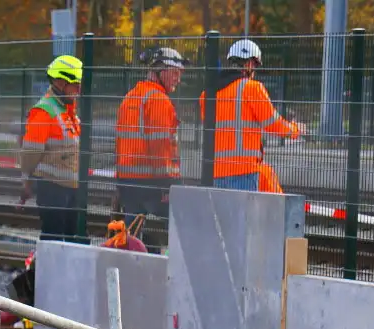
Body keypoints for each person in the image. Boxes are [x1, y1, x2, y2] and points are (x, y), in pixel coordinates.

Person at [200, 39, 302, 191]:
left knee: (222, 215)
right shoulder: (252, 88)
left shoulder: (206, 95)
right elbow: (272, 123)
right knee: (244, 215)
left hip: (214, 172)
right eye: (255, 66)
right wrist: (295, 130)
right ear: (249, 64)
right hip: (244, 172)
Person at [114, 46, 188, 253]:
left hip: (128, 180)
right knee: (181, 225)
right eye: (174, 73)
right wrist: (167, 184)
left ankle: (133, 270)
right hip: (152, 182)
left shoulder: (130, 97)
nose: (178, 79)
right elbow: (160, 147)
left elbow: (120, 143)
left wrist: (119, 180)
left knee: (132, 236)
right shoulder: (158, 100)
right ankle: (173, 267)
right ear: (160, 71)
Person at [18, 55, 83, 243]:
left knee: (71, 241)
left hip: (70, 188)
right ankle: (48, 272)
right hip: (52, 188)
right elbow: (30, 153)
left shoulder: (68, 111)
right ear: (61, 83)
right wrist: (26, 182)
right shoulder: (44, 112)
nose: (79, 90)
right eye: (75, 85)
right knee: (53, 239)